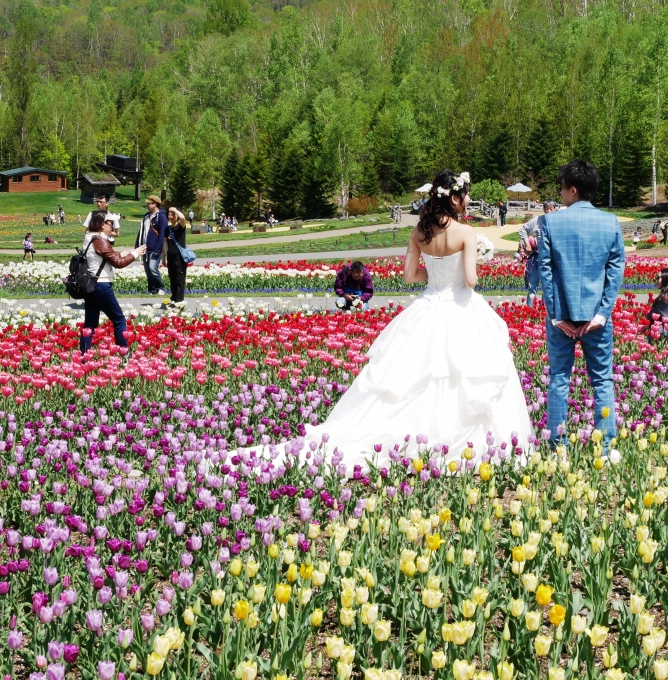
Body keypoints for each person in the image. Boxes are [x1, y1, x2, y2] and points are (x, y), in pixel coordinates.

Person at [235, 169, 530, 470]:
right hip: (460, 307)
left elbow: (410, 275)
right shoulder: (466, 232)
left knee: (412, 375)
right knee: (460, 376)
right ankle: (455, 445)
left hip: (427, 305)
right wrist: (473, 263)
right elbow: (469, 281)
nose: (468, 199)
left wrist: (440, 273)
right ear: (454, 197)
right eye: (466, 194)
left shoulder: (419, 231)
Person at [538, 159, 626, 447]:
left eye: (562, 189)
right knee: (602, 381)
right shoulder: (610, 222)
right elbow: (615, 271)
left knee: (559, 380)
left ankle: (557, 447)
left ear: (572, 190)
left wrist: (555, 315)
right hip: (597, 318)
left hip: (561, 316)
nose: (561, 195)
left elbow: (546, 271)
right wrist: (602, 313)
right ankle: (606, 446)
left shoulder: (551, 221)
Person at [79, 210, 146, 353]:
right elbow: (117, 263)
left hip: (90, 285)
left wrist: (126, 252)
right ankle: (124, 353)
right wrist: (135, 254)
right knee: (119, 319)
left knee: (89, 324)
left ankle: (84, 355)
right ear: (103, 225)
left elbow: (105, 257)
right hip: (101, 285)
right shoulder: (100, 240)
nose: (114, 227)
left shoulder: (89, 238)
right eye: (111, 223)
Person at [519, 201, 557, 306]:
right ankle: (529, 309)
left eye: (551, 208)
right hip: (537, 256)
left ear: (555, 209)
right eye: (546, 208)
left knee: (548, 286)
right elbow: (522, 229)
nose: (548, 211)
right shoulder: (537, 220)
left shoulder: (559, 222)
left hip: (551, 258)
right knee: (532, 285)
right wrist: (527, 243)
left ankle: (545, 310)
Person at [136, 195, 169, 295]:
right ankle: (152, 289)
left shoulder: (161, 217)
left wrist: (157, 249)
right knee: (147, 270)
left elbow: (162, 234)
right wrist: (137, 245)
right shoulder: (146, 216)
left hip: (155, 248)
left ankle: (160, 287)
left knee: (152, 268)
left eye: (149, 204)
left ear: (155, 204)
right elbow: (141, 232)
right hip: (145, 247)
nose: (147, 205)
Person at [163, 207, 191, 304]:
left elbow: (183, 218)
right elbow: (165, 244)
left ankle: (179, 302)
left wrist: (175, 210)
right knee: (172, 280)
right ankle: (174, 300)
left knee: (179, 281)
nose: (171, 216)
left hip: (180, 258)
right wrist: (163, 258)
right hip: (170, 258)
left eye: (173, 214)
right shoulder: (167, 229)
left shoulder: (181, 227)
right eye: (169, 214)